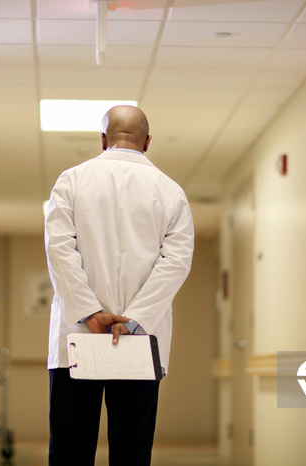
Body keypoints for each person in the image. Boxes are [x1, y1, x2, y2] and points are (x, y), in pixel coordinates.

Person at [44, 105, 194, 466]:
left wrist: (91, 314)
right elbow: (175, 263)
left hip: (77, 337)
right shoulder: (172, 193)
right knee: (132, 450)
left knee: (70, 450)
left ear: (102, 140)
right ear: (148, 143)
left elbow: (59, 250)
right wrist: (134, 319)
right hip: (138, 341)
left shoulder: (71, 181)